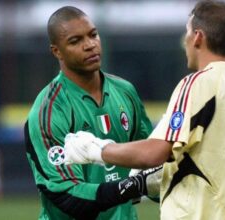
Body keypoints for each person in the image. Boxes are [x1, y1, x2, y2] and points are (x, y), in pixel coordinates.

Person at [64, 1, 225, 220]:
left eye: (188, 32)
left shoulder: (198, 83)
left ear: (198, 37)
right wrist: (150, 180)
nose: (187, 40)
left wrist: (96, 150)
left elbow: (155, 153)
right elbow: (217, 164)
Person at [23, 6, 159, 220]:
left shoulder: (125, 91)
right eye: (75, 41)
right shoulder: (49, 111)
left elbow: (148, 166)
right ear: (56, 51)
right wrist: (131, 187)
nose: (90, 45)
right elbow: (67, 197)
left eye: (93, 35)